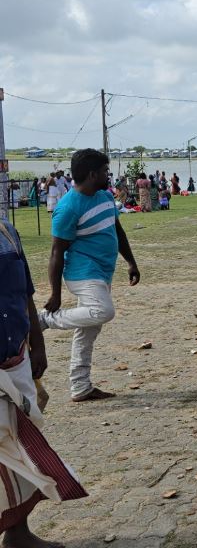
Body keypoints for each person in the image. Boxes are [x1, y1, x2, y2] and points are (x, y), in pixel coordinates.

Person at [0, 217, 88, 548]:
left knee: (22, 448)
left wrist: (39, 341)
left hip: (15, 357)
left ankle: (17, 533)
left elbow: (25, 291)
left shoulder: (6, 230)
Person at [39, 149, 140, 401]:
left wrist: (131, 262)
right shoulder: (68, 207)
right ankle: (45, 320)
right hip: (82, 273)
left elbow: (117, 231)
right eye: (106, 171)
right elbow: (56, 253)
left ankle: (80, 386)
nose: (109, 176)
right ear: (93, 174)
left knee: (89, 328)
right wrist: (55, 295)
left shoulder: (105, 197)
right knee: (102, 312)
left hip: (104, 271)